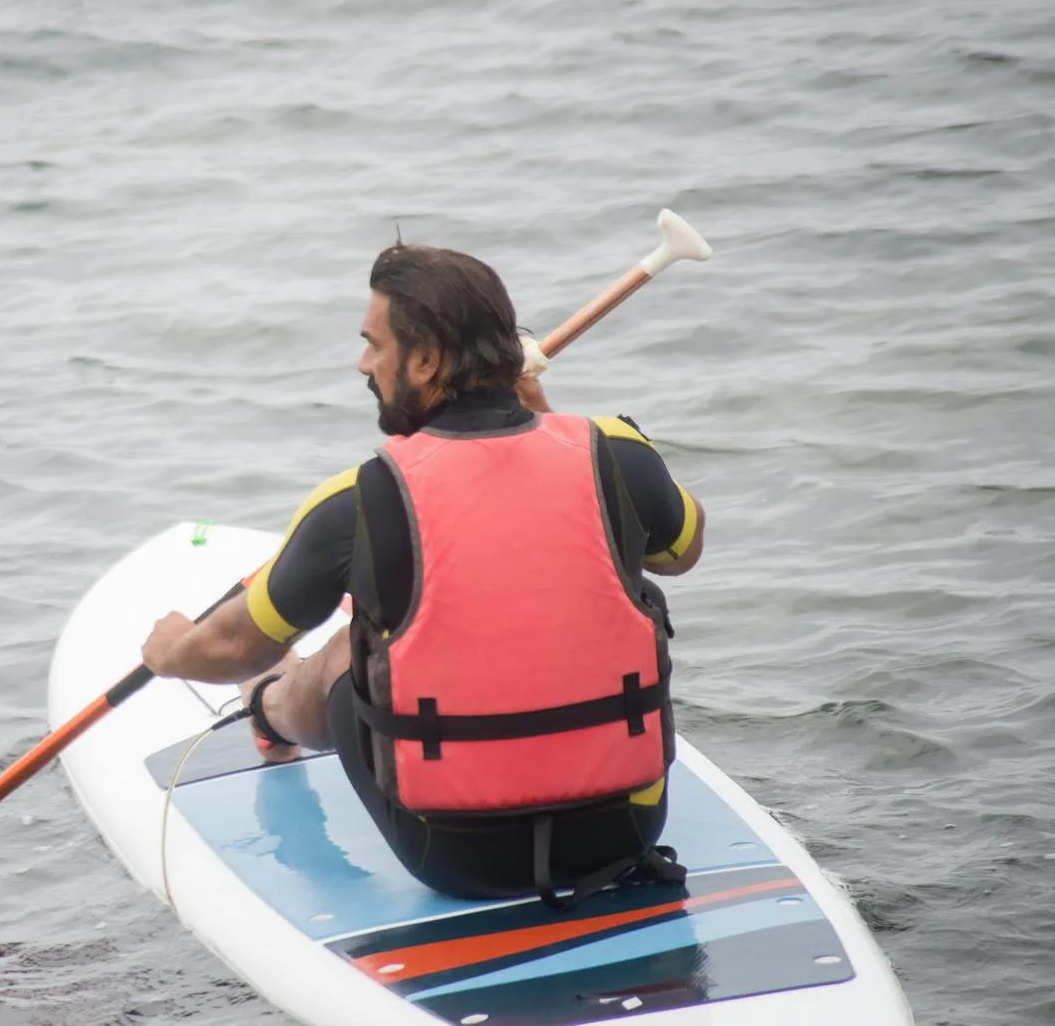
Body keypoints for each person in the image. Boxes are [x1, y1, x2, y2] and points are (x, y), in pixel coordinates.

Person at [141, 242, 705, 905]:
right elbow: (681, 552)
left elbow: (233, 648)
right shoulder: (619, 455)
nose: (363, 365)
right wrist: (549, 418)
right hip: (628, 829)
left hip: (459, 857)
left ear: (428, 360)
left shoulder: (356, 501)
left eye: (374, 345)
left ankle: (268, 713)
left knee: (345, 659)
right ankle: (273, 704)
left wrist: (171, 651)